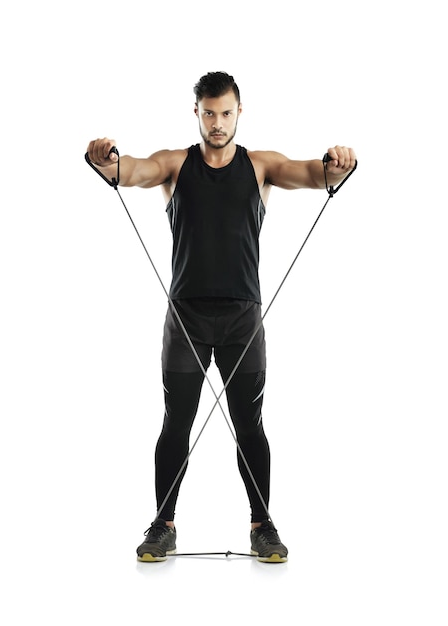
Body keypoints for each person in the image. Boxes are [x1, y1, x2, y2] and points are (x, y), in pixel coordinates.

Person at [86, 71, 356, 564]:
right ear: (197, 113)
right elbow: (132, 171)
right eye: (209, 113)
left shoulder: (260, 166)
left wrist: (340, 163)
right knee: (176, 424)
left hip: (242, 321)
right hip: (185, 320)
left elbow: (317, 175)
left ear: (239, 112)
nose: (217, 122)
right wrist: (107, 160)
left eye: (226, 112)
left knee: (249, 424)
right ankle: (162, 525)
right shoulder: (174, 165)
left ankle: (263, 525)